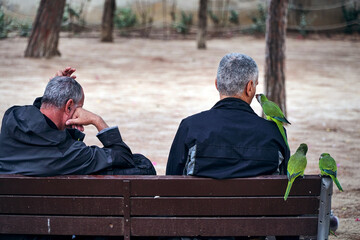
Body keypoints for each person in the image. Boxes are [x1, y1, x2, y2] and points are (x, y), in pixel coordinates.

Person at [166, 53, 293, 240]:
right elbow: (285, 193)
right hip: (256, 234)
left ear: (217, 84)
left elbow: (171, 185)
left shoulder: (190, 127)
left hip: (200, 235)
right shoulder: (273, 133)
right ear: (250, 88)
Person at [0, 67, 156, 177]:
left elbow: (39, 125)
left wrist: (54, 90)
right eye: (79, 107)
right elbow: (123, 158)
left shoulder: (11, 117)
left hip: (13, 215)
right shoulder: (70, 154)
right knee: (142, 165)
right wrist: (97, 120)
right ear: (68, 106)